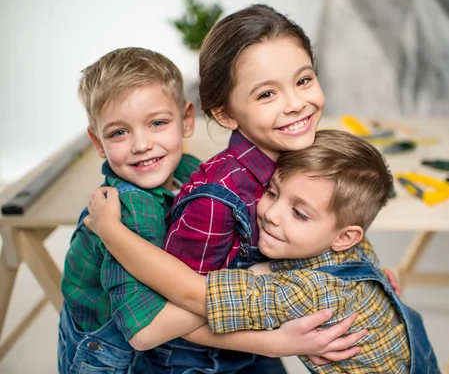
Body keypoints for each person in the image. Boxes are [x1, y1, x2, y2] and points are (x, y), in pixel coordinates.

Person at [59, 47, 362, 374]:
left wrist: (362, 269)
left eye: (157, 123)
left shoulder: (191, 171)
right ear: (98, 142)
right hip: (108, 354)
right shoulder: (128, 212)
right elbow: (144, 333)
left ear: (187, 120)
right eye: (119, 132)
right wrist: (272, 329)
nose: (142, 144)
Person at [85, 129, 441, 373]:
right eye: (272, 192)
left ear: (344, 236)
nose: (270, 214)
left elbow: (188, 295)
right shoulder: (353, 247)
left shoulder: (309, 291)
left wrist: (110, 229)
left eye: (299, 213)